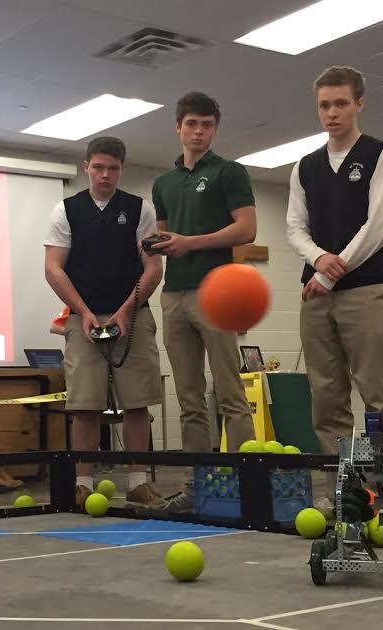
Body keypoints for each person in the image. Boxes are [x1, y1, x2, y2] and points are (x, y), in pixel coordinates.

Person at [286, 66, 383, 513]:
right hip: (315, 295)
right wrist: (317, 260)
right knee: (326, 397)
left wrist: (331, 272)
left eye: (340, 103)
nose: (331, 113)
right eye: (324, 105)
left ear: (359, 103)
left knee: (376, 395)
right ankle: (346, 493)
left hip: (364, 290)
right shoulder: (305, 166)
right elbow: (294, 227)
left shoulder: (381, 154)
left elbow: (379, 225)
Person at [150, 91, 257, 513]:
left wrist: (189, 242)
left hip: (218, 293)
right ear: (178, 127)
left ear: (215, 128)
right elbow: (163, 238)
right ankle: (201, 487)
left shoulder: (230, 172)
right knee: (189, 398)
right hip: (174, 295)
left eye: (206, 125)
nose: (198, 132)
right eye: (191, 124)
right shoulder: (163, 183)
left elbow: (246, 229)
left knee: (230, 392)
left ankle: (250, 483)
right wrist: (155, 245)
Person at [44, 136, 164, 510]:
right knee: (85, 403)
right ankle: (82, 483)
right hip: (84, 318)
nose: (105, 175)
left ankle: (139, 482)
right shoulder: (66, 210)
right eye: (98, 167)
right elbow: (53, 268)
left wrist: (128, 308)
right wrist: (83, 312)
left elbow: (153, 267)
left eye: (113, 168)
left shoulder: (140, 209)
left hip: (133, 313)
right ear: (86, 167)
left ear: (121, 169)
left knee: (137, 401)